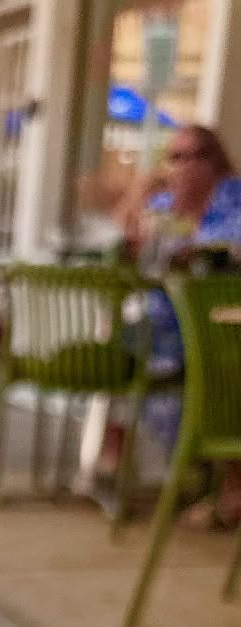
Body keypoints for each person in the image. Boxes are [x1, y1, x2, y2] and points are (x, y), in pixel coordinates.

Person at [114, 126, 241, 520]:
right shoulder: (164, 207)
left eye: (198, 155)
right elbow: (130, 247)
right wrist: (138, 202)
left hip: (224, 320)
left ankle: (225, 481)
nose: (187, 166)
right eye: (177, 156)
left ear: (217, 160)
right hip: (170, 320)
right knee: (132, 348)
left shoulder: (233, 198)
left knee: (208, 368)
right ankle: (199, 472)